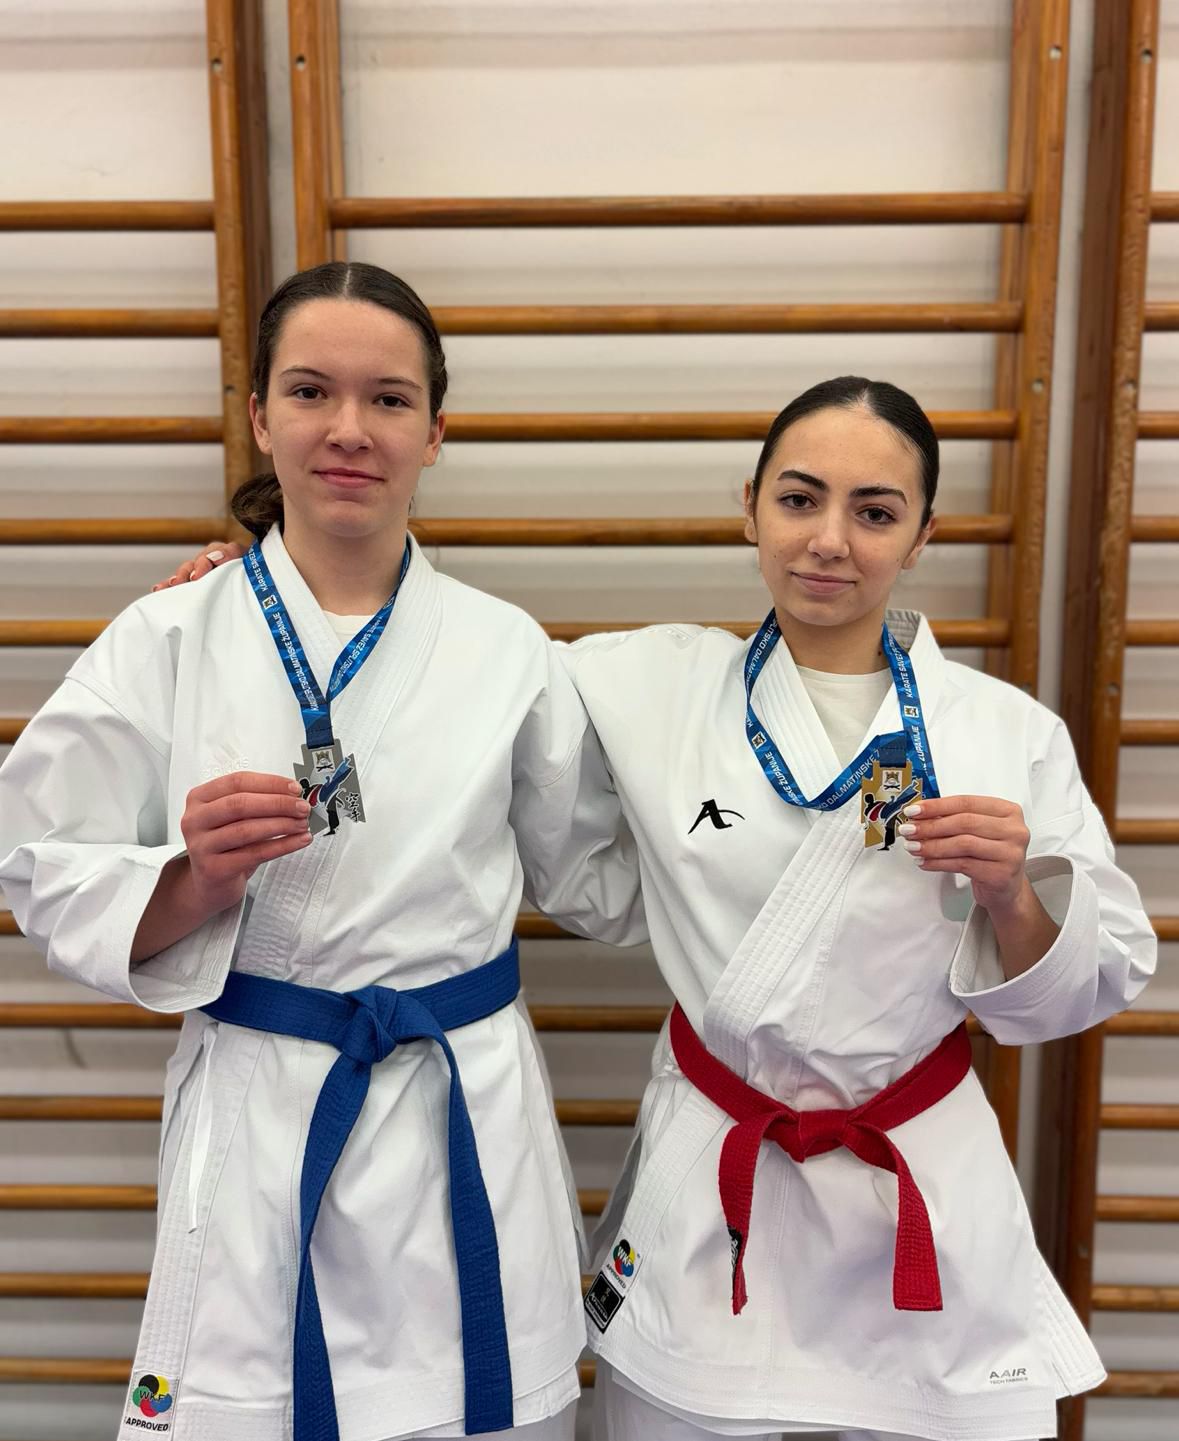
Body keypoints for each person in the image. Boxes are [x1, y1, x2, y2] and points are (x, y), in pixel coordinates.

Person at [154, 376, 1157, 1440]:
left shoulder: (1007, 734)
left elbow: (1088, 983)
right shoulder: (652, 683)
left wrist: (1010, 891)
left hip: (917, 1180)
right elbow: (455, 676)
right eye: (799, 499)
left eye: (874, 511)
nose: (829, 539)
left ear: (922, 536)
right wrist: (262, 606)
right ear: (751, 508)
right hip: (717, 1193)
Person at [0, 261, 646, 1441]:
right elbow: (42, 861)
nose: (350, 429)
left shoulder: (508, 648)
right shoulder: (171, 632)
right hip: (264, 1107)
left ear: (436, 431)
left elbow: (602, 873)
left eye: (390, 399)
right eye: (310, 391)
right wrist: (192, 878)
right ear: (260, 416)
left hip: (458, 1103)